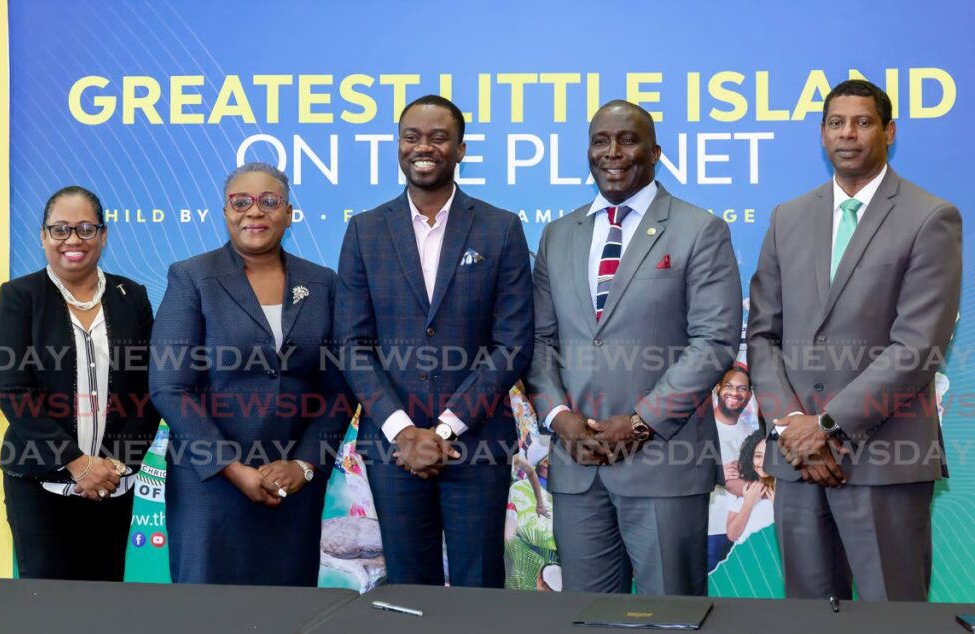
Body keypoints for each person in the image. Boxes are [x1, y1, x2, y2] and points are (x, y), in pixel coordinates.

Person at [747, 79, 961, 601]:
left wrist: (827, 426)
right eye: (836, 123)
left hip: (882, 461)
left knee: (892, 617)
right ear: (822, 134)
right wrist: (791, 427)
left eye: (863, 122)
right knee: (808, 616)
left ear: (889, 132)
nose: (849, 134)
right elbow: (761, 336)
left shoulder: (930, 217)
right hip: (797, 464)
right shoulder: (786, 218)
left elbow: (916, 349)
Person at [525, 100, 742, 595]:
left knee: (670, 616)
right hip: (577, 466)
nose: (613, 152)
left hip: (663, 464)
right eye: (601, 141)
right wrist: (559, 417)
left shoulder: (699, 229)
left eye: (627, 140)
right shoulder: (558, 235)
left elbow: (714, 341)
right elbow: (538, 342)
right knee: (586, 617)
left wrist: (642, 422)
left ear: (655, 152)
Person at [334, 94, 534, 587]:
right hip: (392, 447)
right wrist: (404, 432)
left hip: (476, 443)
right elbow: (351, 344)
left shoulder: (500, 228)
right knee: (406, 587)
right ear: (398, 146)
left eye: (438, 137)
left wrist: (444, 431)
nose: (424, 147)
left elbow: (512, 344)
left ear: (461, 149)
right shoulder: (364, 231)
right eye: (412, 136)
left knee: (478, 584)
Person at [150, 162, 351, 585]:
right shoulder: (192, 277)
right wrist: (232, 467)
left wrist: (304, 465)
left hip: (291, 488)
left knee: (289, 613)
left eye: (269, 201)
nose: (254, 212)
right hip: (210, 487)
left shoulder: (322, 283)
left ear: (289, 213)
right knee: (211, 613)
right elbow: (170, 387)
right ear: (226, 212)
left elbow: (338, 392)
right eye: (241, 202)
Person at [0, 185, 159, 580]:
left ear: (103, 234)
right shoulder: (20, 296)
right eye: (60, 229)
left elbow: (149, 389)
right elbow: (15, 392)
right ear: (44, 236)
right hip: (38, 485)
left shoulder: (131, 296)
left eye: (85, 228)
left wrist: (114, 466)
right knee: (46, 604)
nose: (73, 240)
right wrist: (78, 464)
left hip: (112, 484)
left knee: (103, 603)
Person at [707, 364, 758, 570]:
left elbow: (756, 483)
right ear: (717, 389)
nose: (734, 393)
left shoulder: (752, 435)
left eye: (742, 388)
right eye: (728, 386)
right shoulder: (700, 428)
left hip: (734, 529)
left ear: (749, 394)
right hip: (700, 526)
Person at [725, 430, 774, 544]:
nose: (763, 462)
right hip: (748, 555)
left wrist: (778, 505)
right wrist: (748, 503)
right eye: (758, 456)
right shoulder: (740, 488)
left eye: (769, 456)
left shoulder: (787, 489)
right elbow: (732, 535)